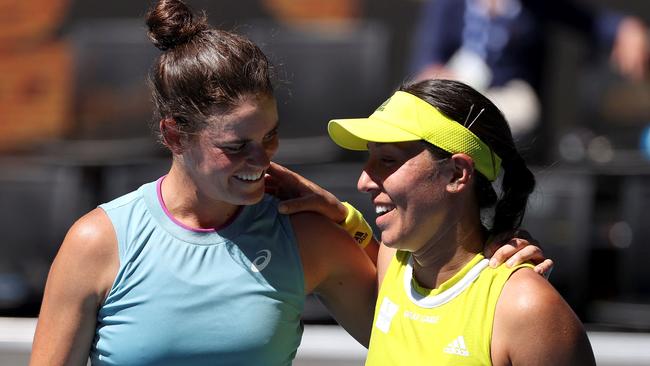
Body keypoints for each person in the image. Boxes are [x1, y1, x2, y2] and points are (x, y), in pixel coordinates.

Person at [29, 1, 549, 365]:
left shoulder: (307, 237)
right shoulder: (96, 243)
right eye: (236, 147)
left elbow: (418, 323)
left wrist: (492, 261)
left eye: (271, 137)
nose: (261, 160)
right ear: (174, 135)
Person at [271, 79, 593, 365]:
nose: (363, 181)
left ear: (456, 174)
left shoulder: (527, 308)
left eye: (387, 160)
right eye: (368, 158)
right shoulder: (392, 262)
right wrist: (342, 216)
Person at [409, 0, 649, 140]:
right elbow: (428, 57)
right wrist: (437, 77)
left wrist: (625, 28)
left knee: (519, 109)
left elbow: (591, 22)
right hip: (455, 95)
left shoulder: (533, 5)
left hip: (508, 102)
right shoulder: (449, 5)